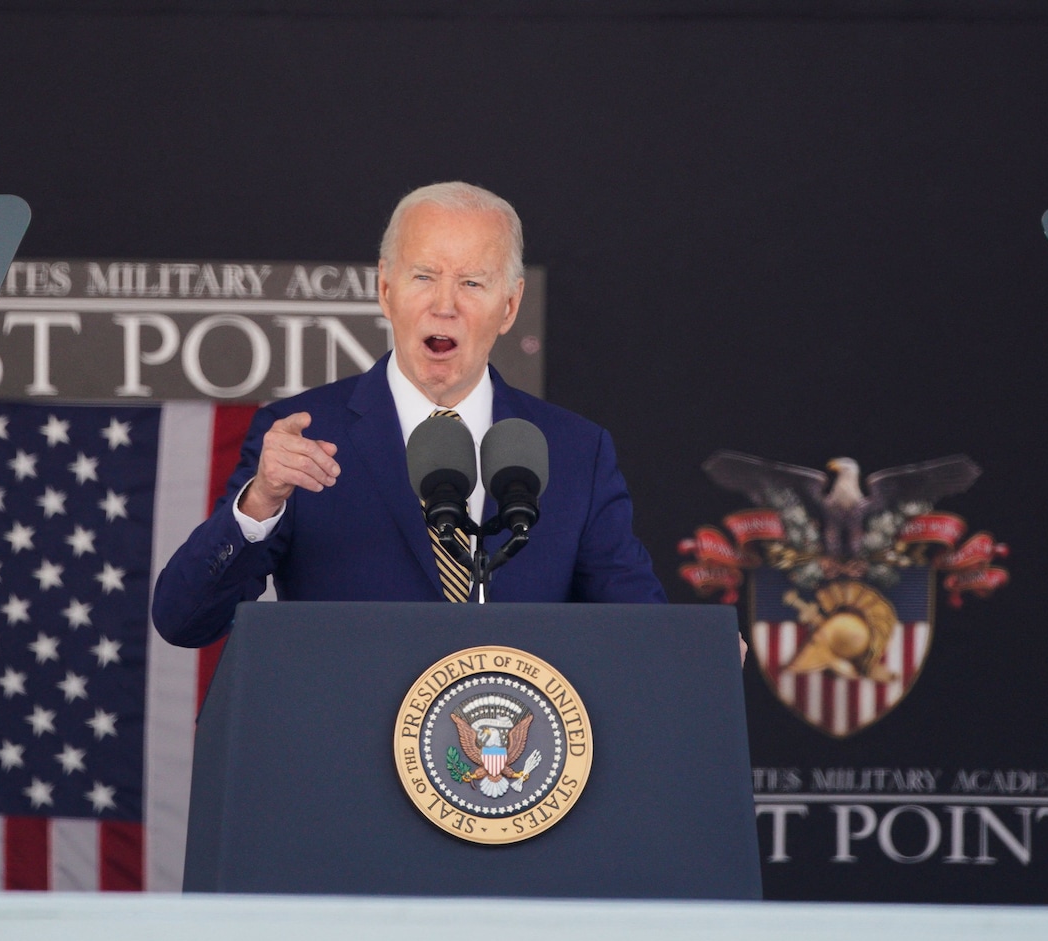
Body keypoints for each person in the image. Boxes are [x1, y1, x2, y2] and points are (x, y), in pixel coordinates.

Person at [151, 181, 667, 649]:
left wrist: (694, 652)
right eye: (424, 276)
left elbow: (642, 630)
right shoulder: (305, 435)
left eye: (472, 283)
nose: (444, 305)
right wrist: (261, 501)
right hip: (345, 747)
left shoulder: (576, 451)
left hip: (509, 750)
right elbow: (183, 620)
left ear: (509, 307)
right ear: (385, 290)